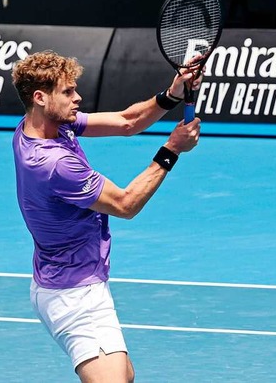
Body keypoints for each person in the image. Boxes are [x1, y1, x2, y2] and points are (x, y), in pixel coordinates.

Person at [11, 50, 202, 383]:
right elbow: (126, 204)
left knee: (123, 376)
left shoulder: (40, 125)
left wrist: (171, 94)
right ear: (40, 97)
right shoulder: (54, 164)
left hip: (69, 283)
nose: (78, 97)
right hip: (74, 297)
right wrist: (171, 149)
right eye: (68, 92)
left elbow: (128, 122)